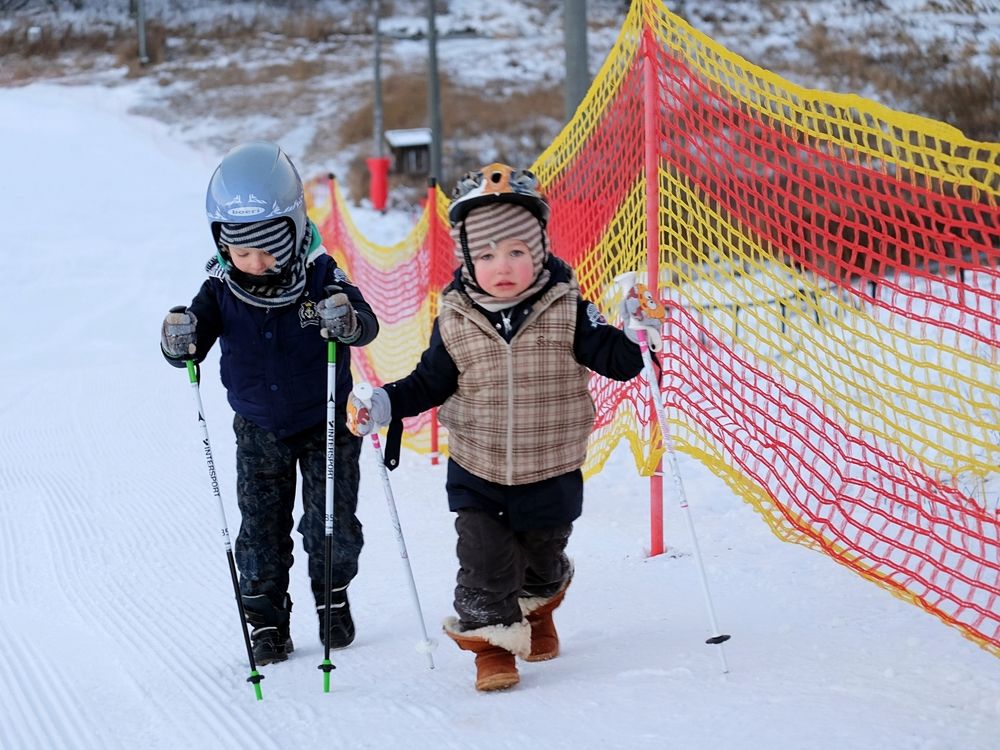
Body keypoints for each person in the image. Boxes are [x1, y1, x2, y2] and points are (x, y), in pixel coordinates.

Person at [346, 163, 659, 691]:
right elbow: (428, 382)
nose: (503, 266)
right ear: (468, 257)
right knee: (483, 562)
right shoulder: (454, 318)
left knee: (542, 557)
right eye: (487, 254)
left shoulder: (570, 311)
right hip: (479, 465)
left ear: (539, 248)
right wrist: (383, 403)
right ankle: (490, 647)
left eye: (517, 251)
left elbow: (621, 361)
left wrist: (639, 332)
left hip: (552, 463)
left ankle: (537, 612)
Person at [160, 141, 379, 665]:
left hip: (327, 421)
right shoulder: (219, 289)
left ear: (296, 230)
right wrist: (179, 340)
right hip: (258, 427)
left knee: (332, 523)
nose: (256, 264)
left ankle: (332, 595)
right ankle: (267, 621)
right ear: (222, 245)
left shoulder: (322, 274)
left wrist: (344, 319)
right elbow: (190, 345)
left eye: (269, 249)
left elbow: (365, 322)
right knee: (259, 530)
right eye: (241, 252)